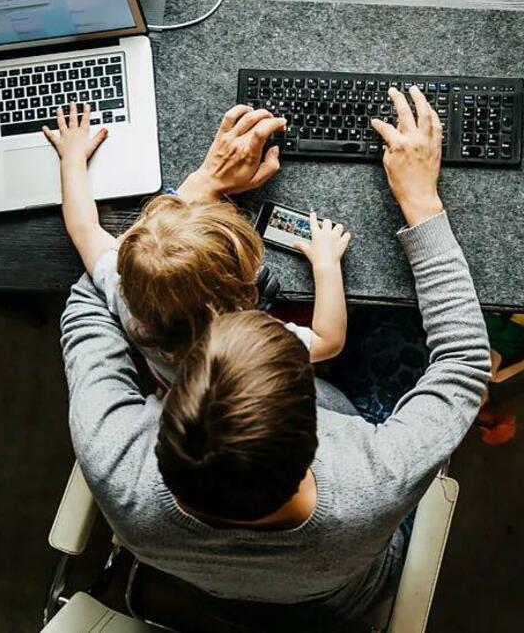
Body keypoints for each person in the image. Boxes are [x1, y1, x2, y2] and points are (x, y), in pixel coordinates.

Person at [59, 86, 491, 628]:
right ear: (317, 427)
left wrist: (196, 195)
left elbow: (93, 299)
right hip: (341, 600)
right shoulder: (372, 480)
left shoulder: (113, 461)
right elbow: (464, 365)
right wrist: (421, 203)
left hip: (199, 586)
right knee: (395, 330)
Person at [43, 104, 351, 384]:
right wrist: (327, 265)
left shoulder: (123, 288)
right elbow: (328, 340)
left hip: (176, 381)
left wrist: (71, 158)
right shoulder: (248, 344)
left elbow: (83, 226)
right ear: (244, 292)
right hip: (240, 382)